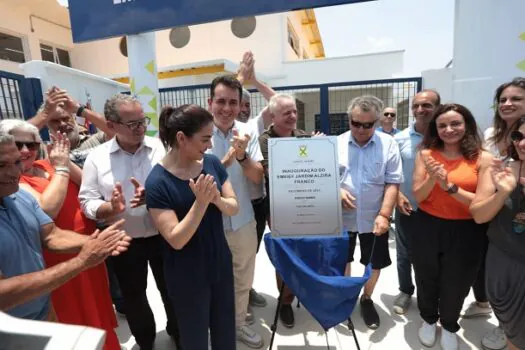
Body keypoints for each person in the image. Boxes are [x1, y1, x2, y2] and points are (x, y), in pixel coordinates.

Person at [0, 119, 120, 349]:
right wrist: (82, 261)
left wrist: (98, 243)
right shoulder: (21, 188)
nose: (14, 172)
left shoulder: (17, 196)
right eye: (1, 165)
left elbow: (50, 235)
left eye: (16, 163)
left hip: (43, 312)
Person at [78, 94, 180, 350]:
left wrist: (156, 195)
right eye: (132, 124)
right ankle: (146, 342)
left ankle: (179, 335)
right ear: (111, 126)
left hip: (165, 234)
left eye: (142, 121)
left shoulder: (160, 148)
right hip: (124, 241)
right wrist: (107, 208)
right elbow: (86, 200)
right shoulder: (97, 158)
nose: (141, 128)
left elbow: (180, 184)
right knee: (134, 297)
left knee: (173, 290)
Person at [146, 104, 239, 350]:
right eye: (205, 139)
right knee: (194, 339)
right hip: (186, 275)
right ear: (181, 138)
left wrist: (216, 199)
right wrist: (201, 203)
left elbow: (233, 206)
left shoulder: (212, 164)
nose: (209, 145)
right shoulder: (157, 182)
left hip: (219, 263)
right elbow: (176, 239)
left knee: (225, 334)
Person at [412, 103, 491, 350]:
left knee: (457, 281)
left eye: (455, 123)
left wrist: (450, 187)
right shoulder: (426, 154)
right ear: (435, 129)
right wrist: (434, 180)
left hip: (467, 230)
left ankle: (448, 325)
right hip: (428, 225)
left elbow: (482, 203)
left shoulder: (483, 158)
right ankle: (428, 319)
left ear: (467, 125)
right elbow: (418, 195)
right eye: (442, 125)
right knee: (426, 276)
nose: (449, 129)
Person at [466, 77, 525, 350]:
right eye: (503, 99)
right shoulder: (491, 136)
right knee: (494, 279)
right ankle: (503, 322)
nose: (508, 104)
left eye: (516, 99)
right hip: (495, 215)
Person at [207, 75, 265, 348]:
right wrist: (228, 158)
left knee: (243, 279)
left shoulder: (246, 132)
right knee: (211, 280)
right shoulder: (198, 132)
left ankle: (238, 325)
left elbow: (257, 177)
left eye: (233, 102)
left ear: (241, 104)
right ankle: (214, 326)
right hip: (207, 224)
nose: (227, 108)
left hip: (242, 222)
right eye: (221, 101)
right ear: (210, 102)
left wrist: (242, 155)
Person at [337, 95, 403, 329]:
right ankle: (345, 299)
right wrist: (336, 191)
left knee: (373, 262)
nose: (362, 129)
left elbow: (393, 183)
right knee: (342, 260)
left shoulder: (388, 144)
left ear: (377, 122)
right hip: (341, 219)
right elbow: (323, 179)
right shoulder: (336, 144)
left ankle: (366, 299)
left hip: (375, 218)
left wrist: (384, 215)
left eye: (368, 124)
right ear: (349, 120)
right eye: (356, 123)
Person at [258, 93, 308, 328]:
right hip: (278, 209)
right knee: (285, 255)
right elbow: (269, 171)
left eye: (295, 111)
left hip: (307, 203)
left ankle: (303, 292)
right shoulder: (265, 140)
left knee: (304, 251)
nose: (292, 116)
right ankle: (285, 301)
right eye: (287, 112)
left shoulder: (304, 136)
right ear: (273, 115)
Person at [392, 89, 441, 315]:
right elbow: (392, 173)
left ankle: (430, 294)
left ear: (438, 108)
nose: (421, 110)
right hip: (408, 208)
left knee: (435, 255)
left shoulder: (446, 136)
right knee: (404, 253)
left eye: (427, 105)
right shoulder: (399, 139)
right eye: (417, 106)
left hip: (440, 211)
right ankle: (405, 291)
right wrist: (398, 195)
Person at [236, 51, 276, 311]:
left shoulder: (254, 125)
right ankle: (237, 298)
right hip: (232, 204)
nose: (244, 108)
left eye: (248, 105)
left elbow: (277, 102)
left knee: (251, 254)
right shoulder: (213, 128)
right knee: (234, 258)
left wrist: (254, 81)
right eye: (241, 103)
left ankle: (246, 290)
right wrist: (239, 80)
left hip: (256, 202)